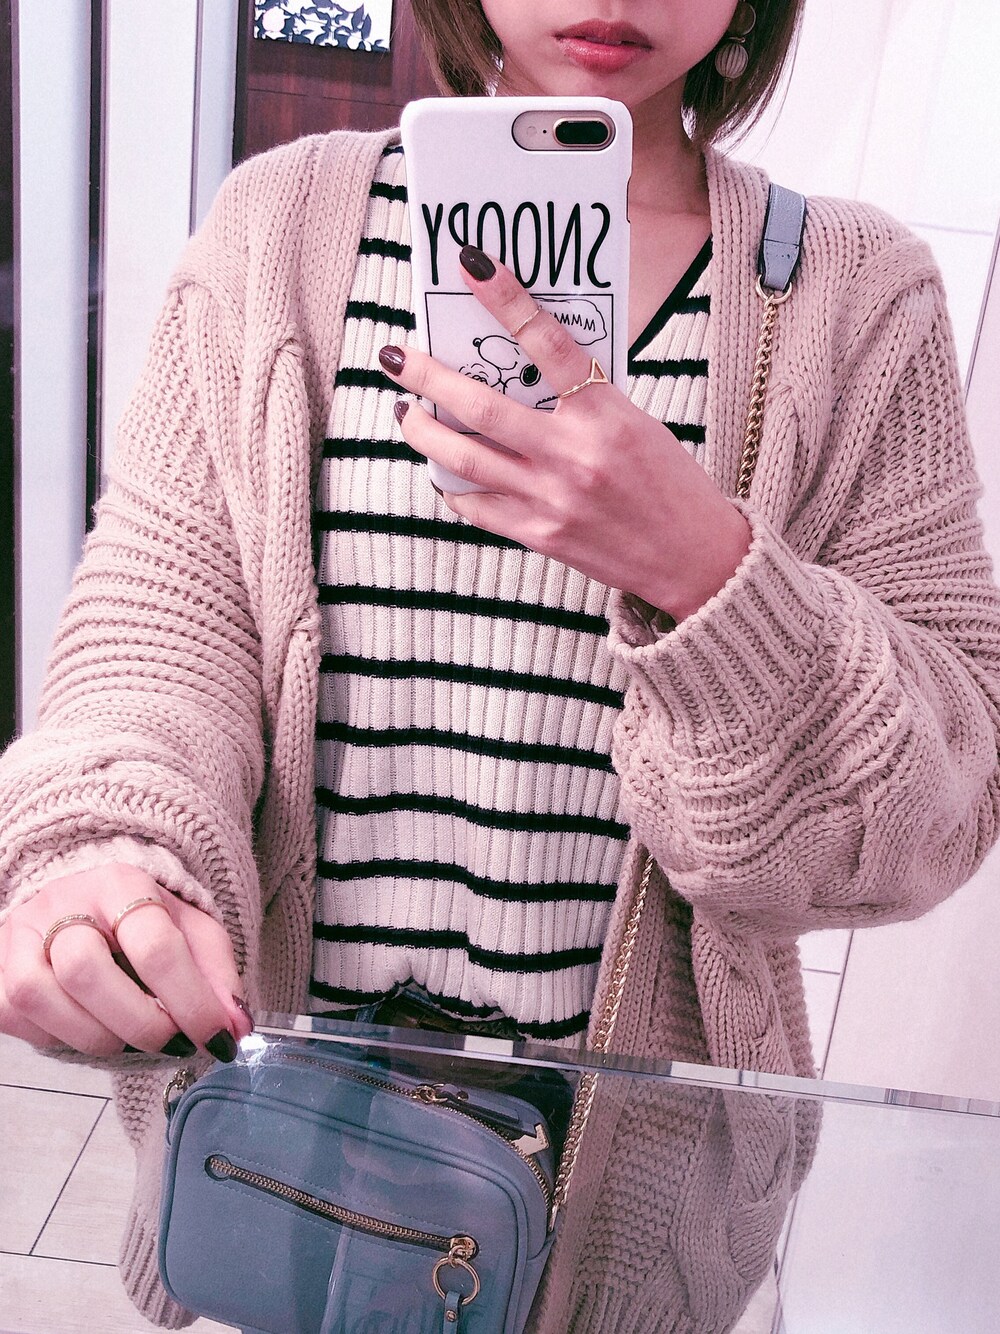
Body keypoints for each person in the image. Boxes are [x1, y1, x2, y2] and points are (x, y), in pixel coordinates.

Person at [1, 0, 999, 1328]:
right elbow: (160, 618)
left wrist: (707, 568)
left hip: (628, 1194)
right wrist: (106, 851)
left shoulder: (854, 296)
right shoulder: (279, 229)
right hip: (283, 1136)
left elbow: (936, 807)